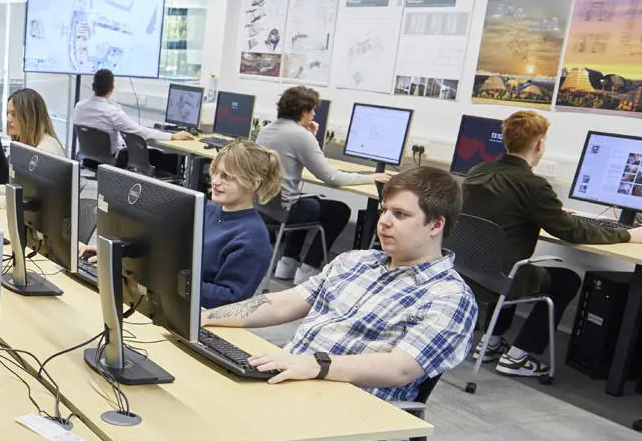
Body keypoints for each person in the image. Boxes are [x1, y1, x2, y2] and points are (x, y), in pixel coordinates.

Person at [204, 167, 477, 402]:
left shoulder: (448, 297)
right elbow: (284, 302)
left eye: (400, 214)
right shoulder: (356, 262)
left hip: (346, 409)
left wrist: (316, 365)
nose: (384, 221)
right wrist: (207, 316)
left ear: (436, 225)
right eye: (384, 210)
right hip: (291, 381)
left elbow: (400, 368)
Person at [461, 110, 642, 377]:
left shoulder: (477, 172)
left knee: (514, 266)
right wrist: (627, 235)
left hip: (471, 270)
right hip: (502, 277)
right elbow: (572, 232)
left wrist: (554, 213)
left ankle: (490, 343)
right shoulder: (533, 186)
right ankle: (518, 356)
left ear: (506, 140)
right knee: (567, 280)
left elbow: (511, 210)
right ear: (539, 144)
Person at [256, 86, 380, 285]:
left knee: (309, 202)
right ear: (304, 112)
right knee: (339, 210)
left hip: (265, 207)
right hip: (286, 211)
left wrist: (310, 135)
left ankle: (287, 264)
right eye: (313, 110)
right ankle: (308, 269)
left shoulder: (266, 130)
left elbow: (302, 157)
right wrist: (371, 178)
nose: (314, 114)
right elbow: (331, 177)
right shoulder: (299, 134)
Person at [200, 141, 281, 307]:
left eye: (227, 176)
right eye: (215, 172)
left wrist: (179, 282)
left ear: (254, 183)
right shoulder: (206, 210)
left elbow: (230, 299)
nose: (215, 181)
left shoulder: (252, 237)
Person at [71, 68, 193, 168]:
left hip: (87, 158)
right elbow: (140, 132)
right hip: (113, 160)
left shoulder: (79, 106)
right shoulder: (111, 113)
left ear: (93, 86)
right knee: (170, 158)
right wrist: (172, 136)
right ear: (112, 88)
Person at [0, 88, 65, 207]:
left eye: (14, 114)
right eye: (8, 113)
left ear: (30, 117)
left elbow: (29, 202)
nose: (8, 119)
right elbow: (17, 190)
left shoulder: (46, 150)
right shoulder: (26, 146)